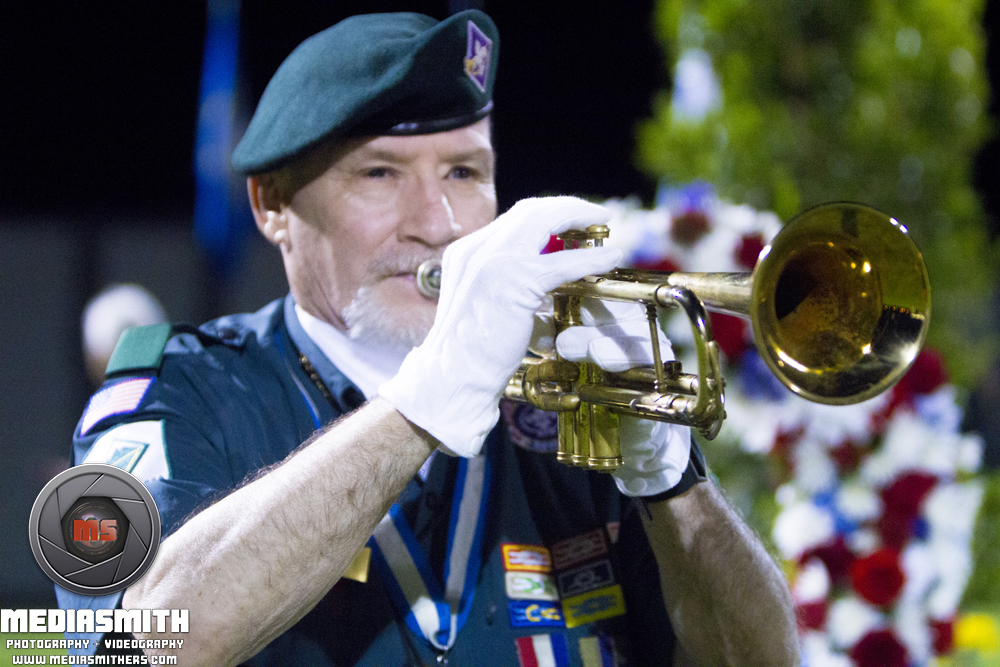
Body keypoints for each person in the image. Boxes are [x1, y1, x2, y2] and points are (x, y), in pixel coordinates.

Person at [59, 10, 798, 666]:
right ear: (272, 203)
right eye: (380, 173)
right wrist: (427, 400)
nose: (439, 222)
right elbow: (135, 645)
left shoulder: (574, 389)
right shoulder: (174, 387)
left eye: (465, 171)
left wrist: (675, 482)